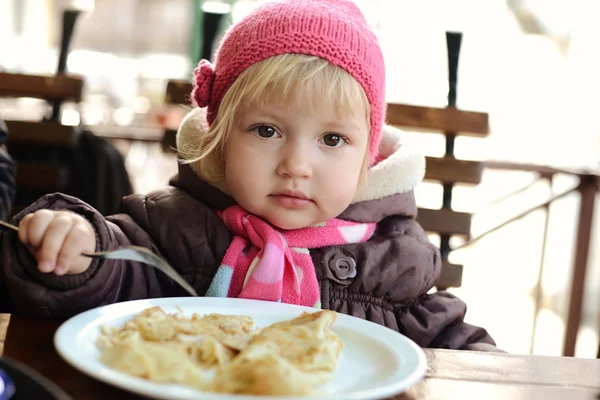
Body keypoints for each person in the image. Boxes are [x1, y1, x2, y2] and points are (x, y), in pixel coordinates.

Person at [1, 0, 497, 351]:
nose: (296, 166)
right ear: (220, 136)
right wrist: (77, 245)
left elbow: (452, 348)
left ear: (368, 154)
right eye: (266, 130)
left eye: (331, 140)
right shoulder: (176, 230)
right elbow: (115, 269)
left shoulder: (390, 262)